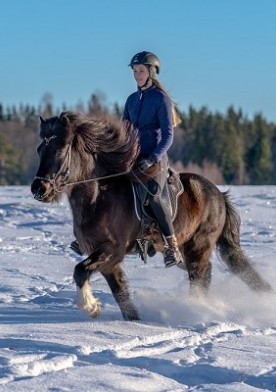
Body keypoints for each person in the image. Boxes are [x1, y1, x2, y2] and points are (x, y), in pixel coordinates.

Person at [123, 50, 183, 268]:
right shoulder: (131, 100)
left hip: (155, 160)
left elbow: (168, 135)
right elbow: (125, 132)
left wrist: (154, 157)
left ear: (151, 72)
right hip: (134, 159)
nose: (137, 74)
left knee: (154, 197)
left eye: (141, 70)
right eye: (135, 71)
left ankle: (172, 247)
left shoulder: (160, 99)